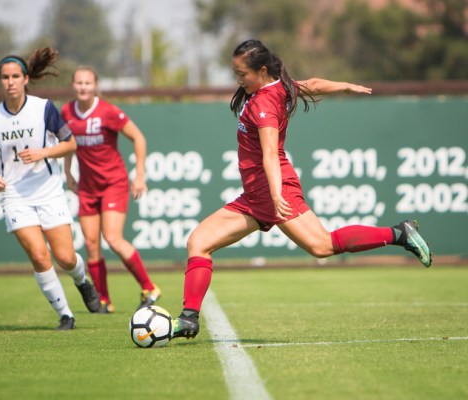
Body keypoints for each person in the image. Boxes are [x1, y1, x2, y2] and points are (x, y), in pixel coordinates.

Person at [171, 39, 432, 339]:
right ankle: (189, 319)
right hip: (257, 196)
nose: (238, 80)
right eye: (236, 73)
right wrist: (345, 87)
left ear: (262, 70)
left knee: (322, 245)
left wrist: (276, 194)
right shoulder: (278, 87)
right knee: (199, 242)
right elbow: (315, 84)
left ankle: (400, 233)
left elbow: (270, 154)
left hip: (272, 191)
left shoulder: (265, 103)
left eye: (242, 74)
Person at [0, 48, 100, 330]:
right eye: (5, 77)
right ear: (1, 81)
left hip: (47, 191)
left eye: (15, 76)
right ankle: (66, 315)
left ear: (25, 79)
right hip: (15, 195)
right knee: (39, 255)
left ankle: (82, 281)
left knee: (66, 258)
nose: (10, 82)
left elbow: (70, 144)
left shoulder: (43, 108)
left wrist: (43, 153)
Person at [61, 66, 161, 313]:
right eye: (79, 83)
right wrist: (67, 173)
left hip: (113, 183)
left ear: (95, 85)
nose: (83, 87)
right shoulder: (66, 111)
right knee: (91, 244)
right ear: (73, 85)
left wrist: (139, 175)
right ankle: (104, 300)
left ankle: (149, 287)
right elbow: (68, 144)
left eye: (87, 83)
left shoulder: (108, 111)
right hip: (87, 187)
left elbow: (138, 138)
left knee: (113, 238)